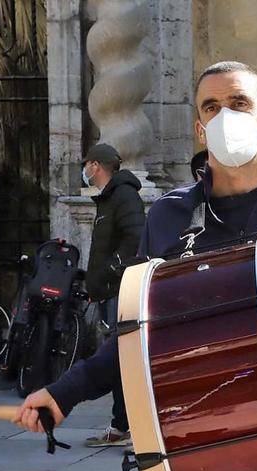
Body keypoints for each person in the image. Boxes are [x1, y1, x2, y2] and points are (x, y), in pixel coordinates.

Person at [13, 61, 257, 433]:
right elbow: (137, 327)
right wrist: (66, 392)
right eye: (211, 107)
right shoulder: (169, 215)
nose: (225, 117)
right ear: (200, 130)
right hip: (191, 430)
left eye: (239, 103)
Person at [79, 143, 146, 447]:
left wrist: (109, 271)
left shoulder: (124, 195)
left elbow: (135, 237)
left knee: (124, 361)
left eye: (87, 164)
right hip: (108, 291)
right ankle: (122, 425)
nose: (85, 170)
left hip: (120, 290)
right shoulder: (107, 199)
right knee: (120, 362)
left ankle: (128, 426)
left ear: (97, 165)